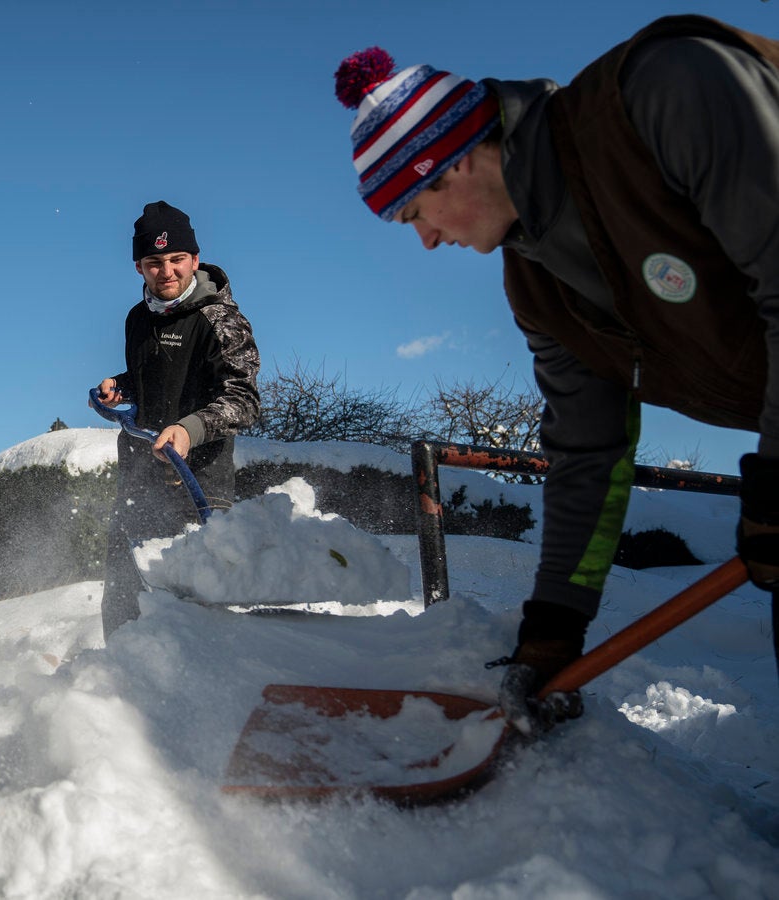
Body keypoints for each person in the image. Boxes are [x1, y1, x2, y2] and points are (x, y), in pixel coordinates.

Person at [333, 15, 779, 730]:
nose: (426, 240)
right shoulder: (540, 289)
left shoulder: (666, 98)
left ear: (457, 161)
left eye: (416, 212)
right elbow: (587, 451)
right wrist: (554, 625)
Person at [94, 201, 260, 638]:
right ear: (138, 267)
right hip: (137, 481)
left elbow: (243, 399)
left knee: (187, 618)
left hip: (196, 486)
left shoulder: (221, 320)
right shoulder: (137, 318)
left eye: (176, 260)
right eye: (154, 262)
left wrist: (189, 430)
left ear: (195, 260)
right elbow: (158, 376)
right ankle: (114, 690)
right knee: (125, 604)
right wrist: (121, 387)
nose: (166, 271)